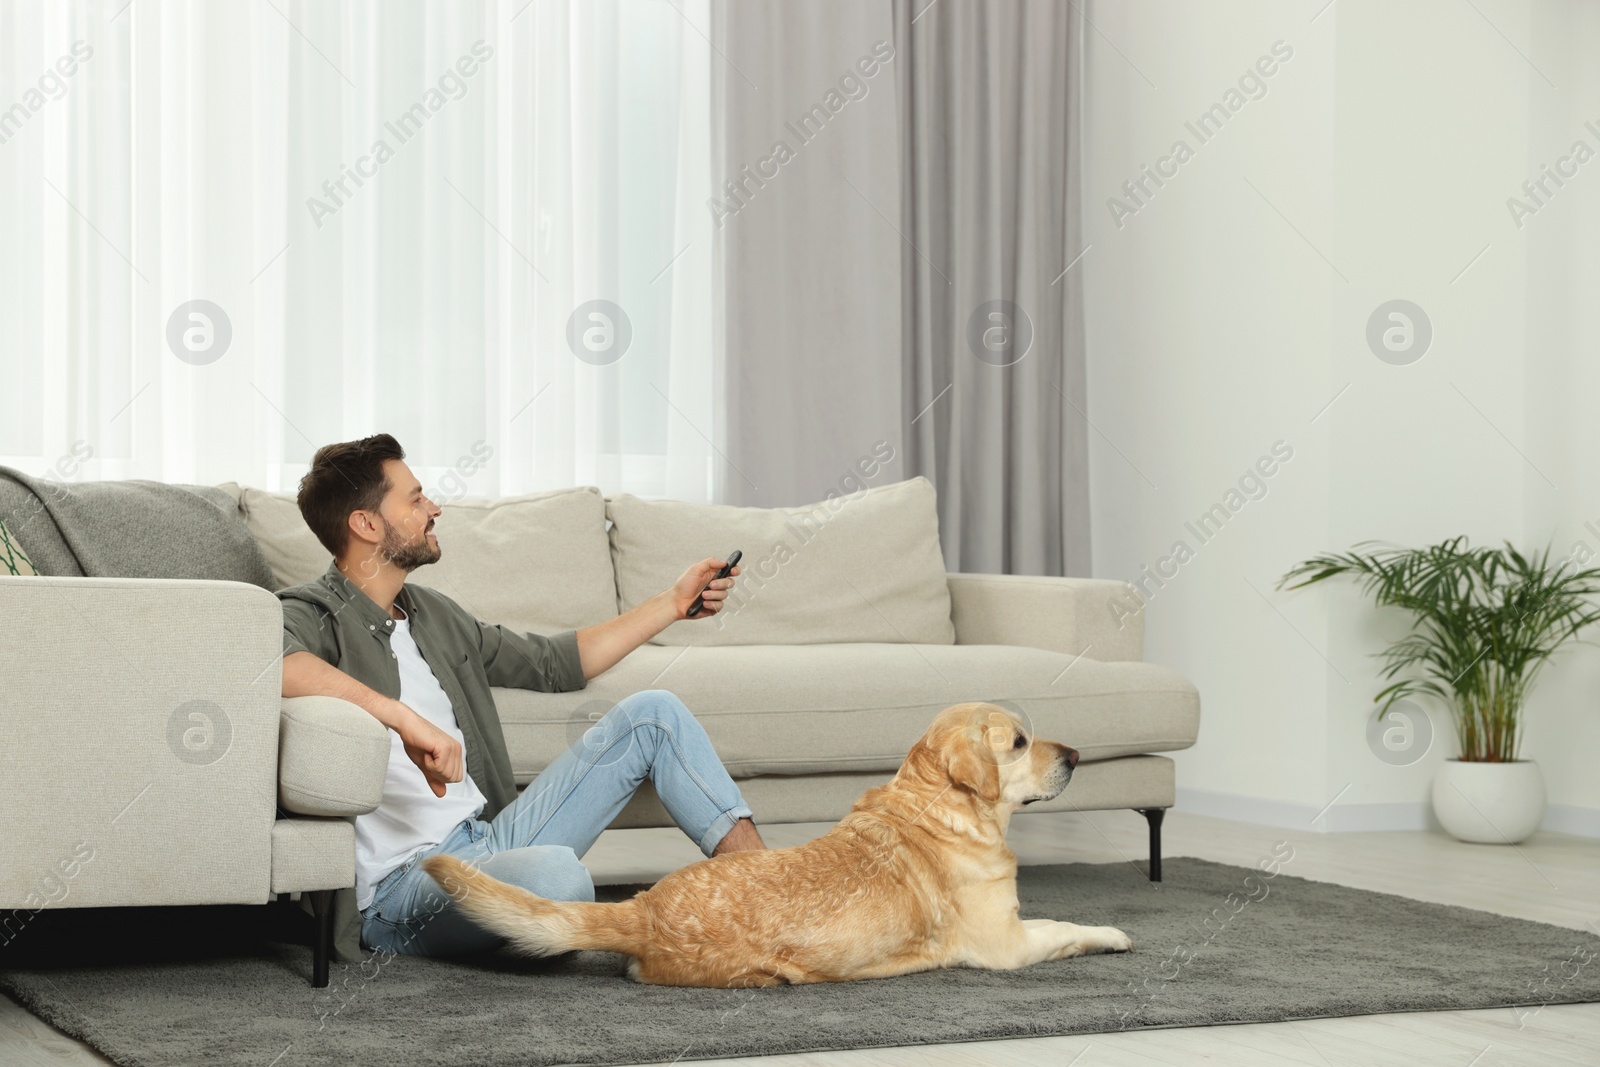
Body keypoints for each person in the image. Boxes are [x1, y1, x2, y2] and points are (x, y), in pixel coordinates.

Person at [278, 433, 764, 962]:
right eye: (415, 499)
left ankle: (772, 893)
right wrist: (398, 716)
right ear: (367, 524)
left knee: (655, 714)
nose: (434, 508)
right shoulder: (311, 613)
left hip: (491, 841)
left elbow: (553, 663)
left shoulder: (432, 614)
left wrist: (671, 603)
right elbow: (264, 660)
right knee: (557, 878)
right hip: (404, 888)